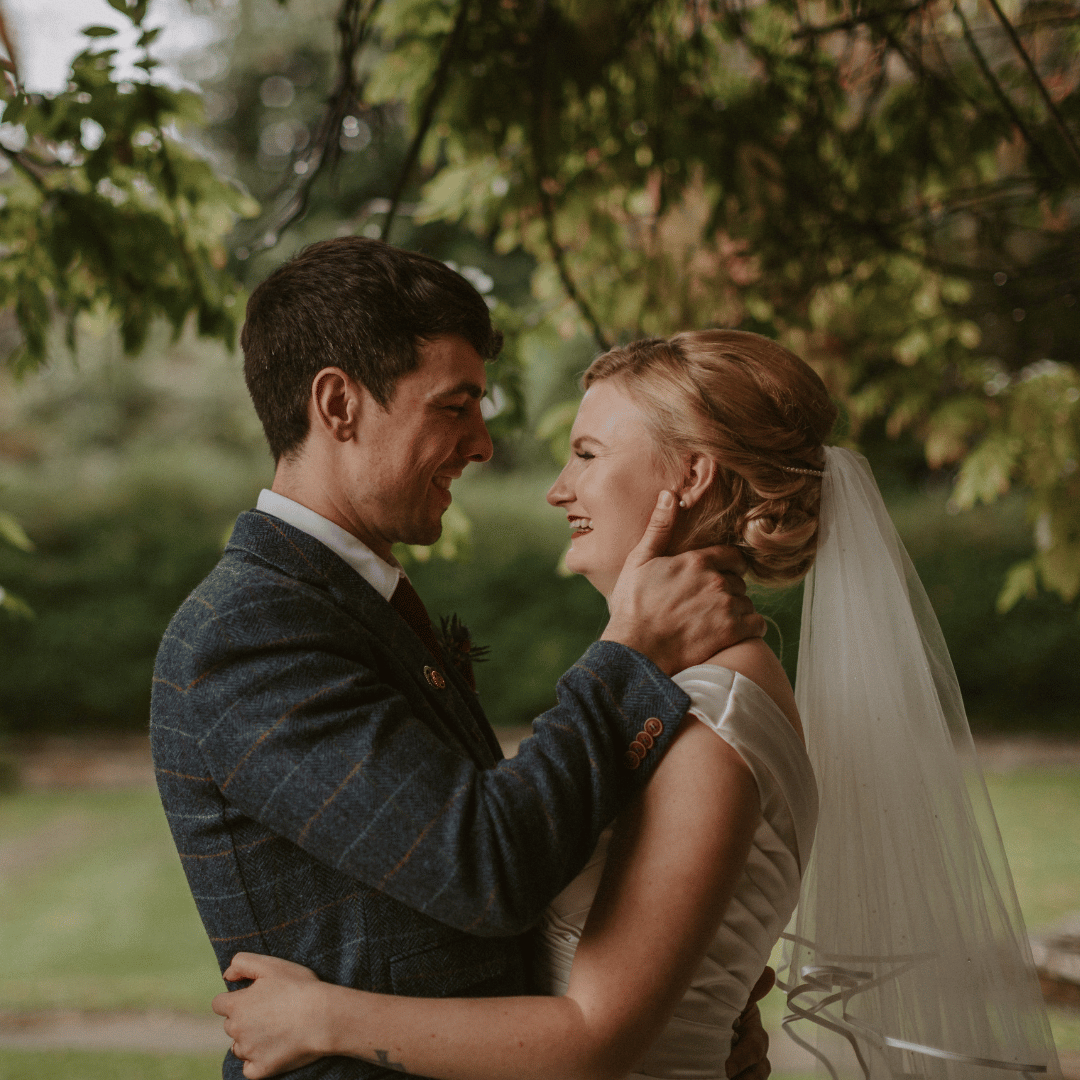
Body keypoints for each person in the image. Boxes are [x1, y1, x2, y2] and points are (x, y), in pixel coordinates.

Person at [214, 330, 1061, 1080]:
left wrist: (319, 1019)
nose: (556, 488)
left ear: (689, 475)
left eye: (586, 453)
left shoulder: (707, 722)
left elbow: (594, 1042)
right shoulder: (683, 697)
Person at [150, 240, 772, 1080]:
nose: (483, 445)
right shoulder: (250, 632)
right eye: (455, 405)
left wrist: (685, 995)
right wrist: (631, 651)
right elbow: (482, 867)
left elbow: (502, 863)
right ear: (338, 404)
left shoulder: (344, 606)